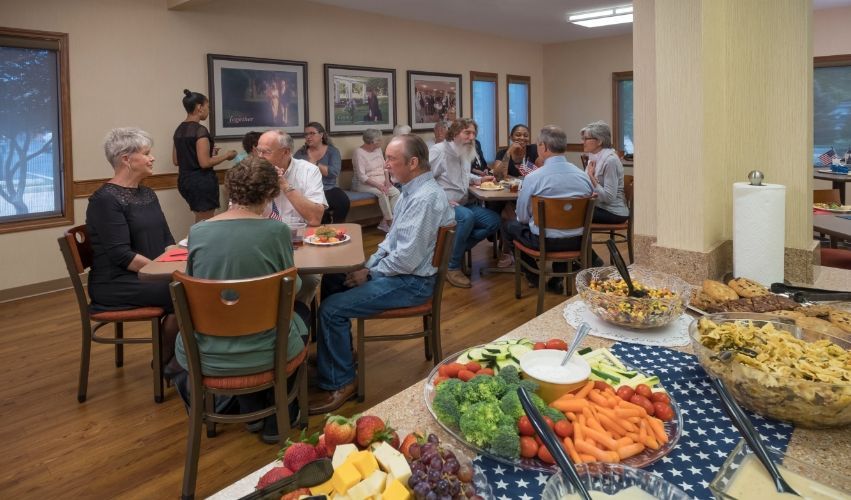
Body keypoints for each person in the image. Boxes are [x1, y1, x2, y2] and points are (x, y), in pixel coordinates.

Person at [310, 134, 454, 414]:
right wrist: (368, 266)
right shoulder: (410, 192)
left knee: (330, 309)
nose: (386, 165)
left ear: (413, 163)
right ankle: (338, 356)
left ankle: (341, 381)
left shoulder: (424, 198)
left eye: (391, 159)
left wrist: (370, 274)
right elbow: (391, 243)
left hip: (413, 283)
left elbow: (407, 260)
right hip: (402, 273)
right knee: (333, 280)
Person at [173, 156, 310, 444]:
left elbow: (197, 287)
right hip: (268, 350)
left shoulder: (198, 232)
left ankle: (252, 410)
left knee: (242, 322)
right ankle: (280, 414)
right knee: (300, 317)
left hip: (207, 351)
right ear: (272, 194)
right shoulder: (277, 231)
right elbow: (293, 287)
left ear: (229, 190)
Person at [86, 127, 179, 368]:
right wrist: (167, 272)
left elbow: (166, 237)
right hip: (116, 282)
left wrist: (176, 261)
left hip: (149, 274)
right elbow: (121, 255)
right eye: (146, 153)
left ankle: (176, 360)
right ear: (126, 159)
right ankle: (165, 363)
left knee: (192, 286)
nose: (152, 157)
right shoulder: (105, 199)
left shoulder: (146, 193)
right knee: (187, 293)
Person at [503, 125, 595, 293]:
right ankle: (558, 278)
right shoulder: (583, 177)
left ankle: (534, 276)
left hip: (544, 242)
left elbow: (522, 218)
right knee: (565, 225)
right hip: (579, 240)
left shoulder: (533, 178)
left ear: (544, 147)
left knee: (509, 226)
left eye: (538, 144)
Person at [256, 130, 327, 305]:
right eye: (258, 151)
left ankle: (295, 322)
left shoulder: (308, 171)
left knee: (309, 281)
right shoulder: (252, 172)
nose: (260, 157)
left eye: (266, 152)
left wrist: (284, 185)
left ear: (286, 152)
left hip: (299, 246)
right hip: (260, 246)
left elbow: (315, 218)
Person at [429, 118, 500, 288]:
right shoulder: (439, 151)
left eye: (474, 133)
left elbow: (463, 177)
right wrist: (444, 200)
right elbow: (425, 180)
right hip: (444, 205)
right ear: (454, 133)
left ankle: (448, 253)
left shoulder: (465, 151)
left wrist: (479, 179)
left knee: (494, 221)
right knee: (466, 217)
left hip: (464, 203)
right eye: (467, 132)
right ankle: (451, 267)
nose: (471, 137)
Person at [173, 89, 237, 222]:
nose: (209, 110)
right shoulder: (200, 130)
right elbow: (205, 163)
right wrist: (227, 155)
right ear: (199, 107)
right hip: (201, 182)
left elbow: (176, 160)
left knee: (200, 219)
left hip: (185, 181)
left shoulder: (179, 130)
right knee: (206, 222)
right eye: (208, 106)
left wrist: (208, 154)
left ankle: (197, 242)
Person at [294, 122, 350, 224]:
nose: (308, 137)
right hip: (308, 190)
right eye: (306, 134)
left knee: (343, 201)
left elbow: (334, 173)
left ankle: (337, 228)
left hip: (328, 188)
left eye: (312, 133)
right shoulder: (300, 153)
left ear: (321, 135)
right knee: (318, 210)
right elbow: (294, 172)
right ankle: (322, 229)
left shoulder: (332, 151)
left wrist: (314, 163)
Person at [580, 121, 630, 225]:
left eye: (586, 139)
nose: (582, 142)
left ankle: (582, 242)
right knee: (570, 209)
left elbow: (608, 198)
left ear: (599, 141)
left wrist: (591, 176)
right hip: (598, 207)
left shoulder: (610, 161)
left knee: (574, 213)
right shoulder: (593, 157)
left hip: (614, 212)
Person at [352, 128, 400, 232]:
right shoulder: (358, 152)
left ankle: (383, 222)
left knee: (396, 192)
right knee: (382, 193)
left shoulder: (377, 150)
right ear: (372, 141)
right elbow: (362, 176)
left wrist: (387, 181)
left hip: (382, 182)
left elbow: (385, 167)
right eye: (379, 140)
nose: (381, 142)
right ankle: (389, 221)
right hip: (364, 184)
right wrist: (380, 186)